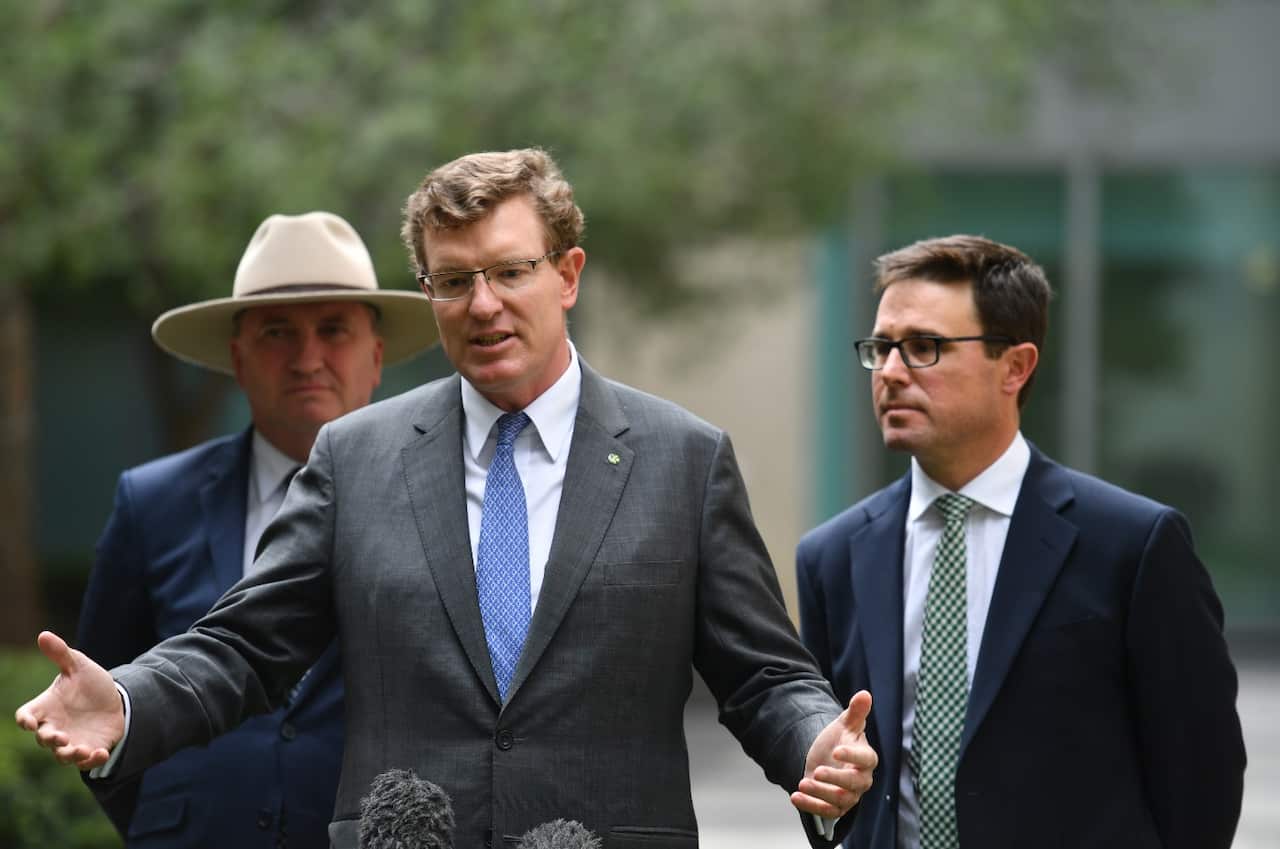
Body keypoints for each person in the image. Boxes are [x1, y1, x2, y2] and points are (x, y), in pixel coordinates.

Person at [18, 149, 877, 849]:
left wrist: (815, 739)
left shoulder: (682, 459)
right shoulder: (356, 456)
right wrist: (128, 700)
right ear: (427, 293)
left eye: (510, 271)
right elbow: (245, 645)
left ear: (568, 273)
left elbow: (762, 674)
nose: (484, 304)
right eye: (454, 280)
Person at [795, 234, 1247, 849]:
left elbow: (1201, 774)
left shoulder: (1133, 544)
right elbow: (833, 778)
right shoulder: (833, 555)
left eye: (924, 347)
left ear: (1016, 366)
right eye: (881, 349)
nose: (893, 373)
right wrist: (828, 799)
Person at [73, 210, 439, 847]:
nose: (307, 358)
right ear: (237, 359)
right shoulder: (152, 501)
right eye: (277, 332)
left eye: (333, 330)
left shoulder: (442, 502)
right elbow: (100, 701)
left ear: (377, 357)